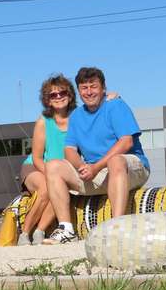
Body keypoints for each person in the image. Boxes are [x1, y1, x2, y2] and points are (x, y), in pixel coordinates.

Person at [44, 67, 150, 244]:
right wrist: (81, 167)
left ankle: (116, 228)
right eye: (84, 88)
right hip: (96, 172)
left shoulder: (115, 105)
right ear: (78, 91)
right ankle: (66, 229)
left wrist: (96, 167)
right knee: (53, 165)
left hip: (130, 167)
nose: (89, 91)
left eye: (93, 86)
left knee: (116, 161)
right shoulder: (77, 115)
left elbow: (126, 142)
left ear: (103, 88)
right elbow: (69, 149)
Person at [16, 74, 75, 246]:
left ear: (70, 95)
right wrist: (50, 174)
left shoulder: (78, 119)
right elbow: (36, 157)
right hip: (35, 166)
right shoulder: (43, 122)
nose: (58, 97)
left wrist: (113, 97)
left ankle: (40, 231)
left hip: (61, 169)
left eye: (62, 93)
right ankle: (24, 233)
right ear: (47, 100)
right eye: (53, 95)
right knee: (47, 188)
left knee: (60, 190)